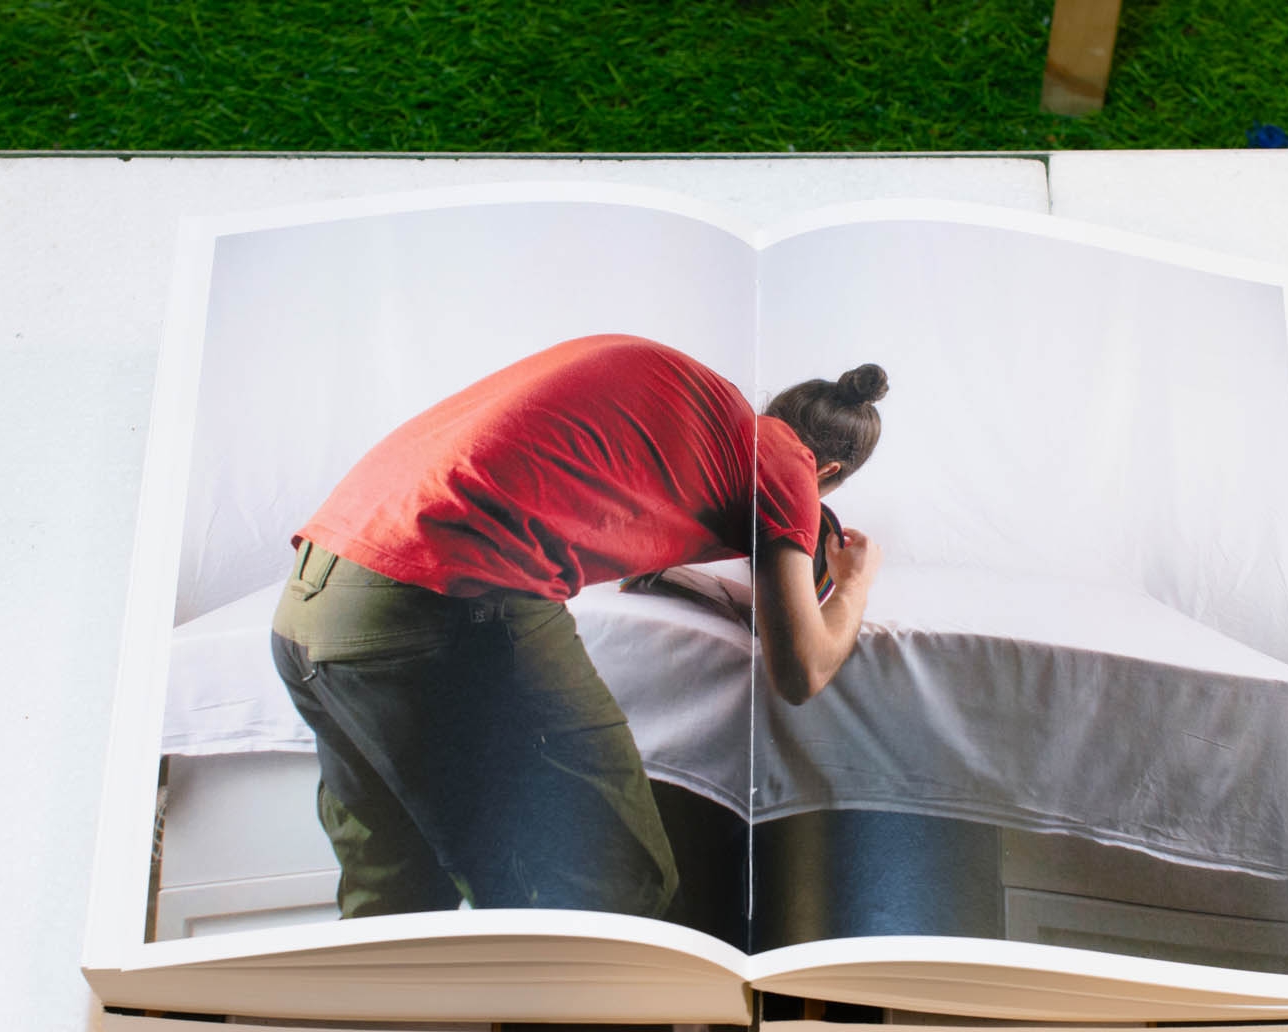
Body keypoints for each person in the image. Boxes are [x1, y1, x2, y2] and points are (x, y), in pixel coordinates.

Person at [270, 333, 888, 921]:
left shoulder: (700, 417)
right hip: (443, 599)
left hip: (312, 599)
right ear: (827, 471)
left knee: (394, 900)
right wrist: (854, 579)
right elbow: (800, 670)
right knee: (613, 890)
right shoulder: (787, 461)